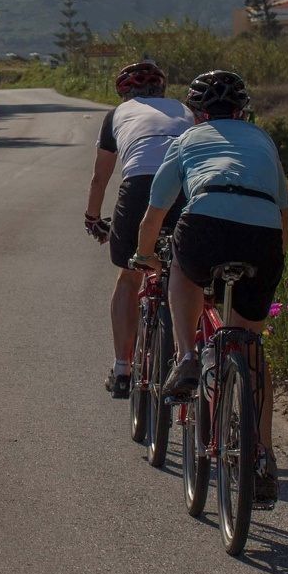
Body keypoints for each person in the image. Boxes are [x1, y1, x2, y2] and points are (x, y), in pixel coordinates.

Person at [132, 69, 288, 502]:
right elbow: (284, 215)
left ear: (198, 114)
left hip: (204, 225)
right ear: (243, 111)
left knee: (180, 270)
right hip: (263, 237)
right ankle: (262, 455)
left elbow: (155, 214)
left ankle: (185, 358)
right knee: (251, 350)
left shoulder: (186, 141)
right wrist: (273, 262)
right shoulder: (263, 140)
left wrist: (147, 258)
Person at [84, 60, 193, 398]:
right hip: (182, 185)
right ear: (162, 89)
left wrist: (92, 217)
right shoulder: (185, 110)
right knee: (185, 274)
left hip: (138, 187)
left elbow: (100, 176)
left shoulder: (117, 114)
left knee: (129, 276)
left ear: (125, 92)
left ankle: (122, 369)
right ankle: (186, 356)